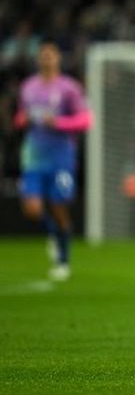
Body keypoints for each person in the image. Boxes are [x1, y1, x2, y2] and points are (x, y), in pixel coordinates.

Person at [14, 40, 93, 281]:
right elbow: (19, 118)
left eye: (51, 54)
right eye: (43, 55)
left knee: (59, 208)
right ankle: (54, 237)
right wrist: (22, 120)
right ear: (39, 59)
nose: (47, 58)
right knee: (32, 208)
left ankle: (63, 259)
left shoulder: (69, 88)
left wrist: (58, 123)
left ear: (58, 58)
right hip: (34, 156)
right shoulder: (28, 87)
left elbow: (85, 120)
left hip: (61, 156)